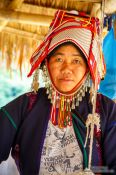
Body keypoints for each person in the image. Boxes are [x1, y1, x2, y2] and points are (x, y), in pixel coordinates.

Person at [0, 10, 116, 175]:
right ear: (47, 63)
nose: (67, 68)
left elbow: (111, 169)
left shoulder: (106, 110)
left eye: (76, 60)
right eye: (59, 59)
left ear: (88, 68)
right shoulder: (25, 106)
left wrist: (95, 171)